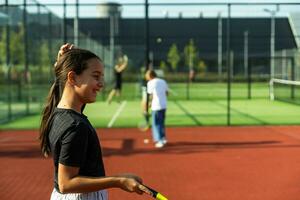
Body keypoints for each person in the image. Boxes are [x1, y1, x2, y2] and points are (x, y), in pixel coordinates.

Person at [39, 44, 147, 200]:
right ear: (72, 78)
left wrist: (61, 64)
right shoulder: (76, 126)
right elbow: (66, 183)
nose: (101, 83)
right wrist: (119, 181)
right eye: (96, 76)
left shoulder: (59, 113)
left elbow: (63, 86)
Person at [145, 69, 169, 148]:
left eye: (147, 76)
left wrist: (149, 104)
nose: (146, 77)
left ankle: (159, 141)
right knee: (161, 123)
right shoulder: (163, 81)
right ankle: (163, 138)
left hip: (156, 106)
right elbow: (167, 93)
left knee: (156, 124)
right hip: (163, 105)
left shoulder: (150, 83)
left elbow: (150, 95)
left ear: (150, 75)